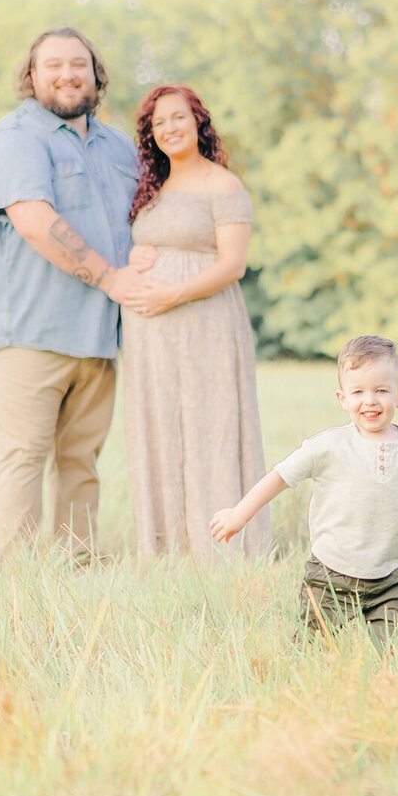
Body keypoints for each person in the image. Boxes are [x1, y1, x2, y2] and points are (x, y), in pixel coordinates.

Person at [0, 27, 156, 559]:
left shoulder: (119, 146)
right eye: (52, 65)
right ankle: (18, 580)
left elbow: (148, 220)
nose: (67, 74)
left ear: (96, 75)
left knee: (82, 459)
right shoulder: (16, 138)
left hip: (99, 337)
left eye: (79, 64)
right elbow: (33, 220)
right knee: (24, 455)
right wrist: (111, 278)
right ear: (31, 77)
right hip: (32, 332)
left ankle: (78, 565)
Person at [210, 334, 398, 647]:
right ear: (342, 398)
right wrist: (239, 514)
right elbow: (279, 477)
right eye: (358, 391)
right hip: (330, 574)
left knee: (395, 653)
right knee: (311, 648)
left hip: (387, 576)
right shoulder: (329, 445)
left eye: (381, 390)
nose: (369, 400)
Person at [122, 84, 270, 560]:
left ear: (198, 122)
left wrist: (173, 293)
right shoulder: (152, 188)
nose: (169, 128)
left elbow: (233, 265)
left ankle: (220, 548)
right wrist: (136, 255)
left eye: (178, 117)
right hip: (152, 333)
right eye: (158, 122)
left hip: (205, 322)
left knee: (212, 423)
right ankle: (165, 548)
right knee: (158, 425)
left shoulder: (224, 185)